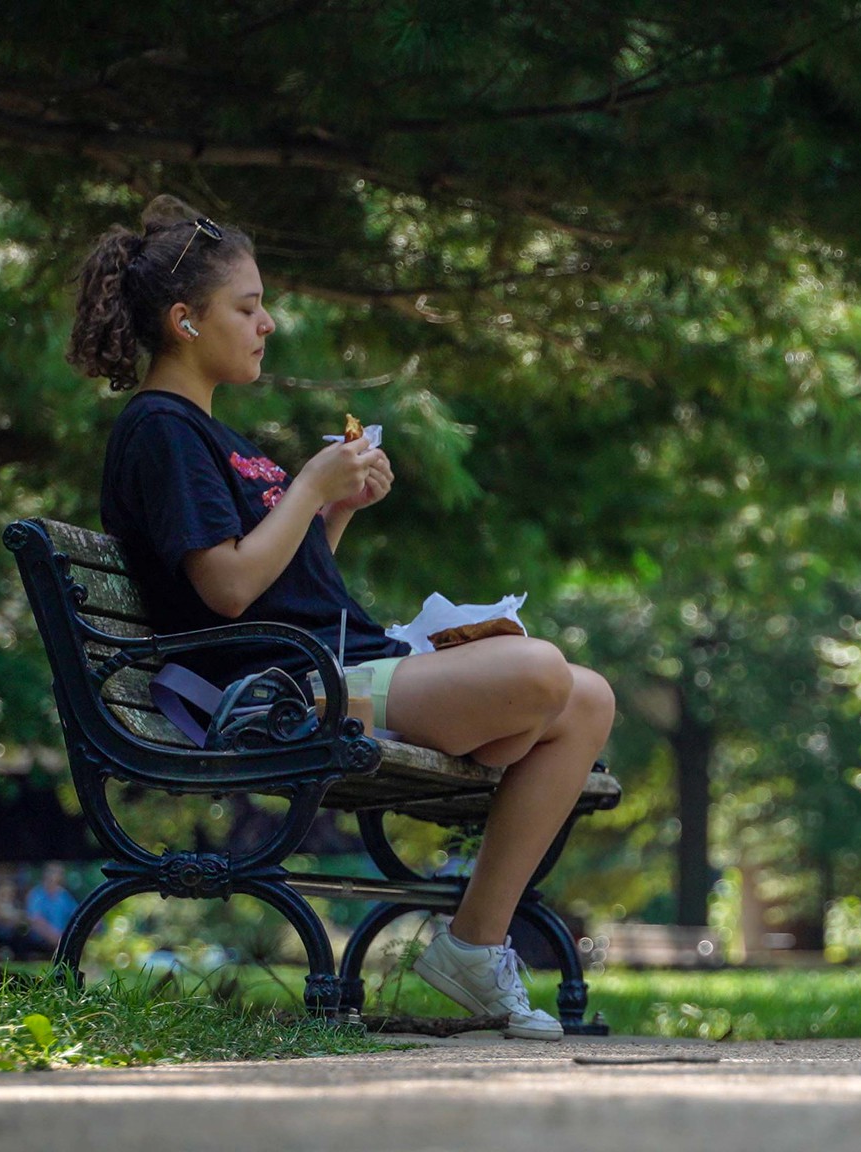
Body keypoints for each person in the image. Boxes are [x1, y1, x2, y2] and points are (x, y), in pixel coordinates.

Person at [68, 196, 616, 1041]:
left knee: (585, 699)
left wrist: (336, 508)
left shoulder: (207, 432)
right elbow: (227, 590)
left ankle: (473, 945)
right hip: (277, 690)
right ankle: (474, 936)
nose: (267, 323)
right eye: (247, 308)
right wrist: (310, 487)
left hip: (332, 664)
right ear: (184, 321)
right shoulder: (161, 432)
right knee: (543, 674)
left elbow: (282, 577)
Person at [23, 862, 79, 954]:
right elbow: (35, 920)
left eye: (58, 872)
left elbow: (76, 914)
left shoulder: (64, 896)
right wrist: (57, 938)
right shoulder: (36, 894)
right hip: (39, 946)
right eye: (52, 871)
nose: (54, 875)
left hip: (61, 945)